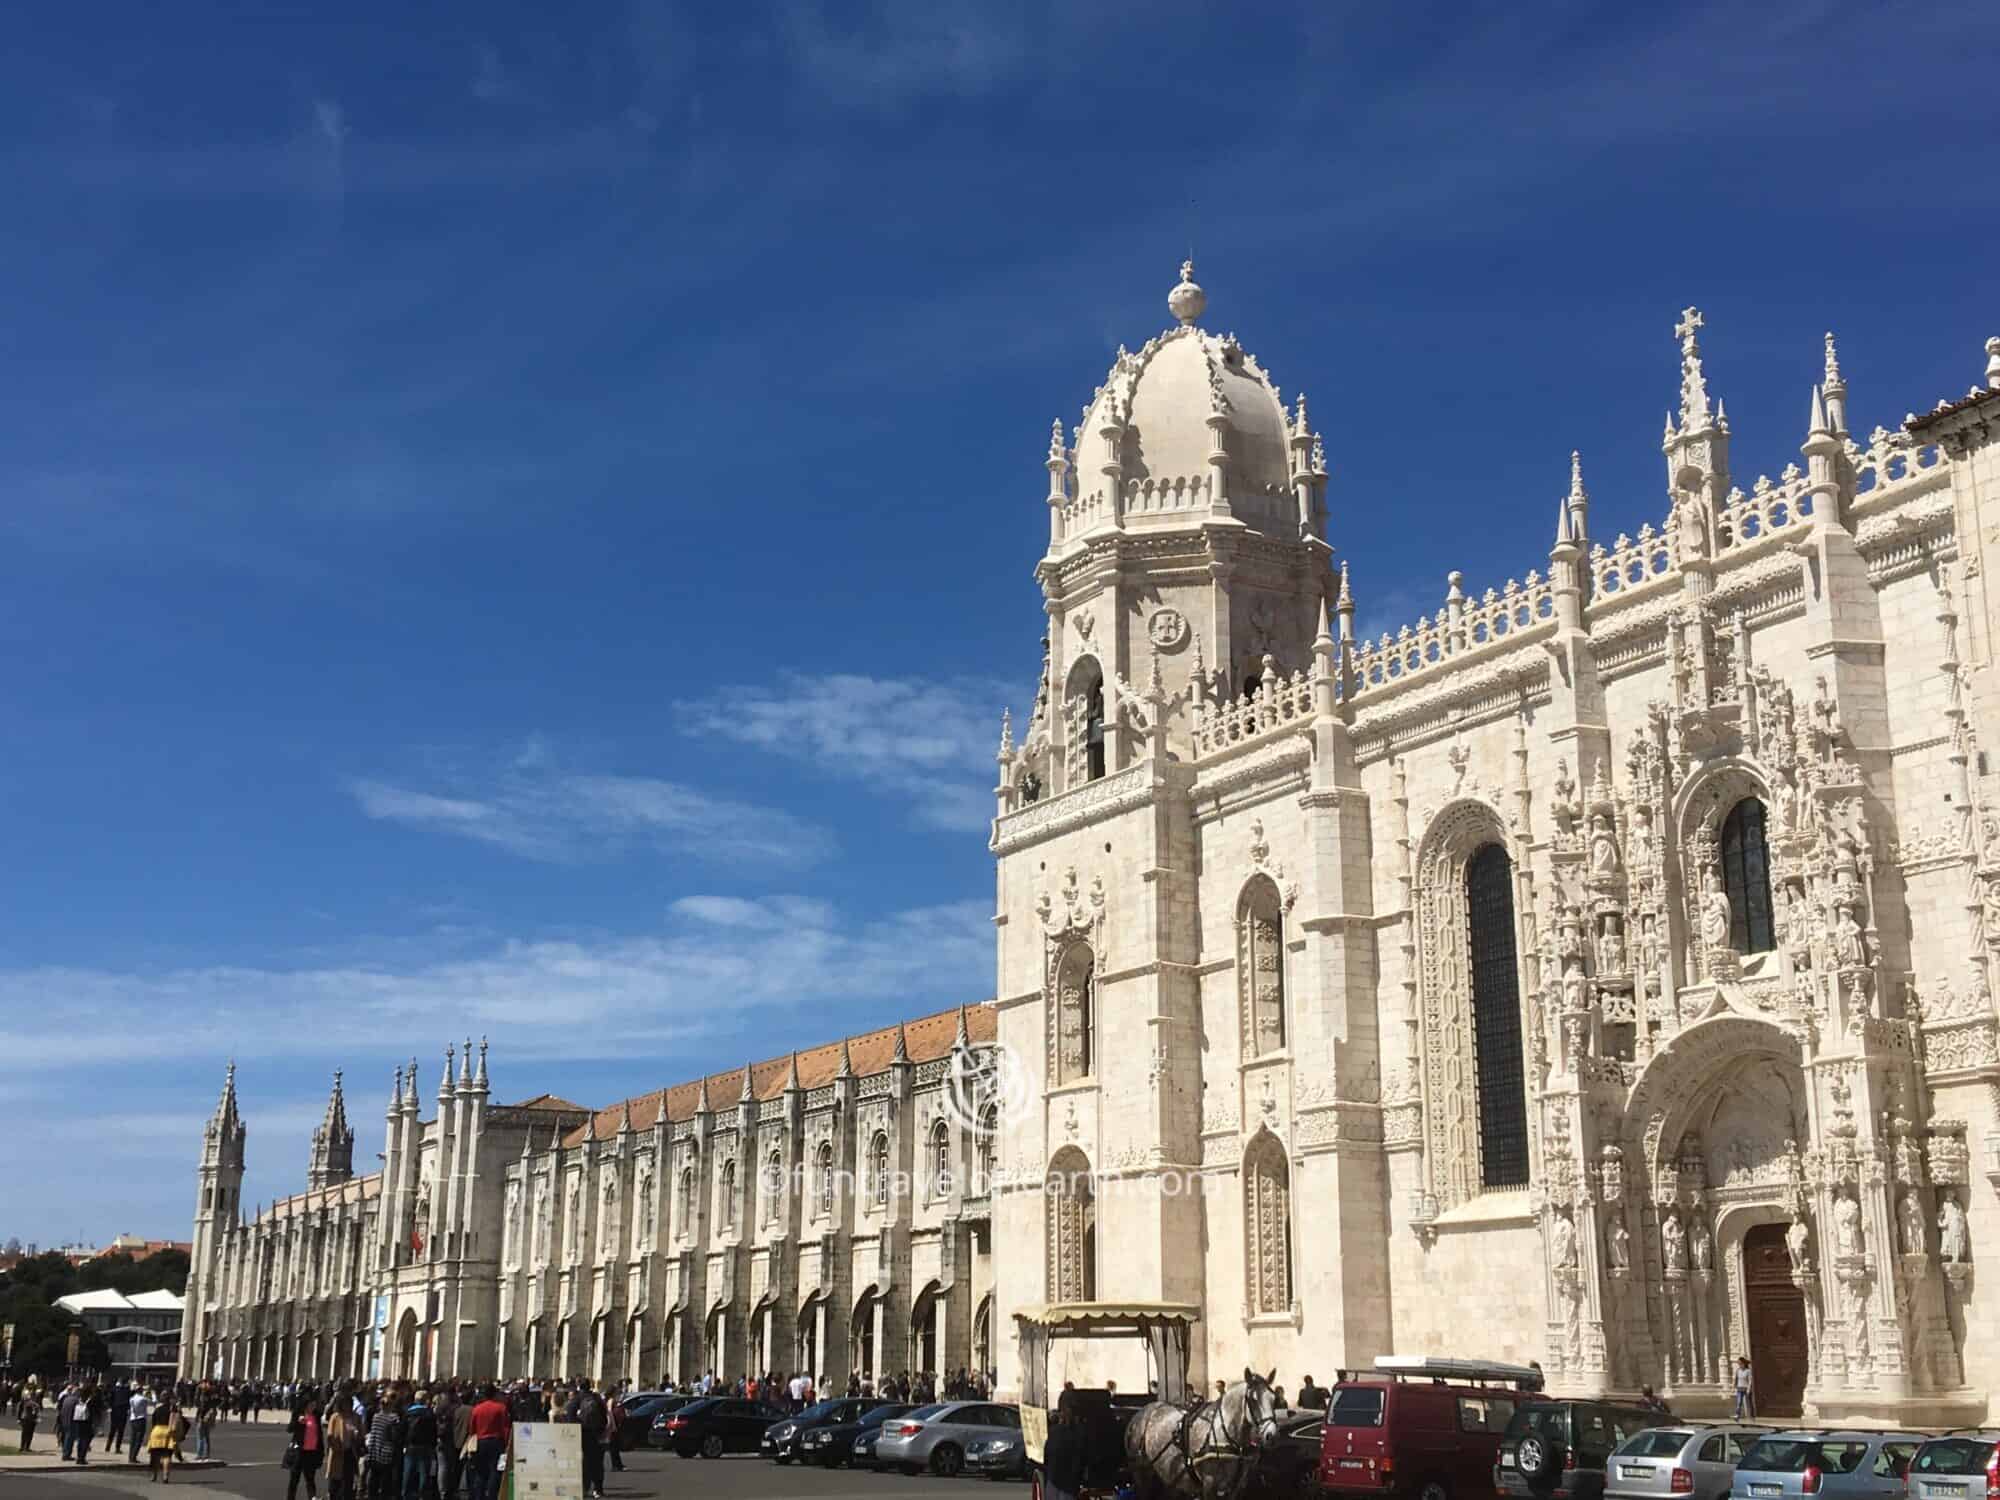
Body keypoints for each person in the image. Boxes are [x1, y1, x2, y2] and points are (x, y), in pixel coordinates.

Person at [465, 1386, 510, 1500]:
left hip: (481, 1442)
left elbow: (472, 1429)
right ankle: (492, 1495)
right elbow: (505, 1428)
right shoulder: (501, 1408)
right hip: (497, 1442)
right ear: (495, 1395)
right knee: (496, 1471)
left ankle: (479, 1495)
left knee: (480, 1471)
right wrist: (506, 1444)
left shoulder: (477, 1409)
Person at [568, 1382, 609, 1500]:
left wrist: (577, 1427)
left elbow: (570, 1413)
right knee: (597, 1463)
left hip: (583, 1433)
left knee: (585, 1463)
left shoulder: (578, 1398)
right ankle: (598, 1489)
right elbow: (604, 1415)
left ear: (580, 1388)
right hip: (596, 1434)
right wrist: (601, 1430)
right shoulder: (596, 1397)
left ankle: (585, 1488)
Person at [1042, 1407, 1087, 1500]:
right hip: (1070, 1481)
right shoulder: (1080, 1433)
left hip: (1055, 1477)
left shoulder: (1054, 1431)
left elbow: (1046, 1455)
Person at [325, 1399, 365, 1500]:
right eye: (344, 1404)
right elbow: (329, 1435)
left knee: (348, 1481)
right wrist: (335, 1446)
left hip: (351, 1452)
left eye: (348, 1404)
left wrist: (357, 1435)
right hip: (337, 1453)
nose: (347, 1407)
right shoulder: (335, 1417)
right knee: (335, 1480)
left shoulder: (356, 1417)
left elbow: (362, 1433)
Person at [401, 1391, 438, 1500]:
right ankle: (422, 1494)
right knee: (424, 1473)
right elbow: (433, 1432)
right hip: (425, 1446)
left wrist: (404, 1443)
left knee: (408, 1471)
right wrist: (433, 1444)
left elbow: (402, 1430)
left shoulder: (408, 1412)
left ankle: (405, 1494)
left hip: (411, 1446)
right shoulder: (429, 1414)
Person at [287, 1398, 325, 1500]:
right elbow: (289, 1429)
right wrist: (297, 1422)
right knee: (294, 1479)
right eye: (311, 1405)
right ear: (306, 1405)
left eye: (314, 1405)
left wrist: (321, 1451)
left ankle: (312, 1498)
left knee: (310, 1479)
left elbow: (319, 1435)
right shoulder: (298, 1414)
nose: (313, 1407)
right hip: (300, 1451)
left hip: (311, 1452)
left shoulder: (316, 1416)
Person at [147, 1401, 178, 1483]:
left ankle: (154, 1475)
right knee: (166, 1455)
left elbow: (153, 1423)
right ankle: (165, 1476)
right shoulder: (172, 1410)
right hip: (167, 1431)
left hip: (157, 1430)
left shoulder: (157, 1409)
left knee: (155, 1455)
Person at [129, 1385, 153, 1463]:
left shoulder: (132, 1398)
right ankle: (134, 1456)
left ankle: (130, 1456)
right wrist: (152, 1393)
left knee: (133, 1438)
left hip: (133, 1419)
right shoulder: (143, 1399)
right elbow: (153, 1402)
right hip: (141, 1419)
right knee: (138, 1439)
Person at [18, 1387, 41, 1451]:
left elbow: (37, 1410)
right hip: (26, 1419)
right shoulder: (23, 1403)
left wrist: (37, 1418)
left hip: (31, 1420)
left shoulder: (34, 1403)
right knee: (25, 1434)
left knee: (29, 1434)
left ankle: (27, 1447)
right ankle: (22, 1447)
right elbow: (20, 1411)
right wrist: (18, 1419)